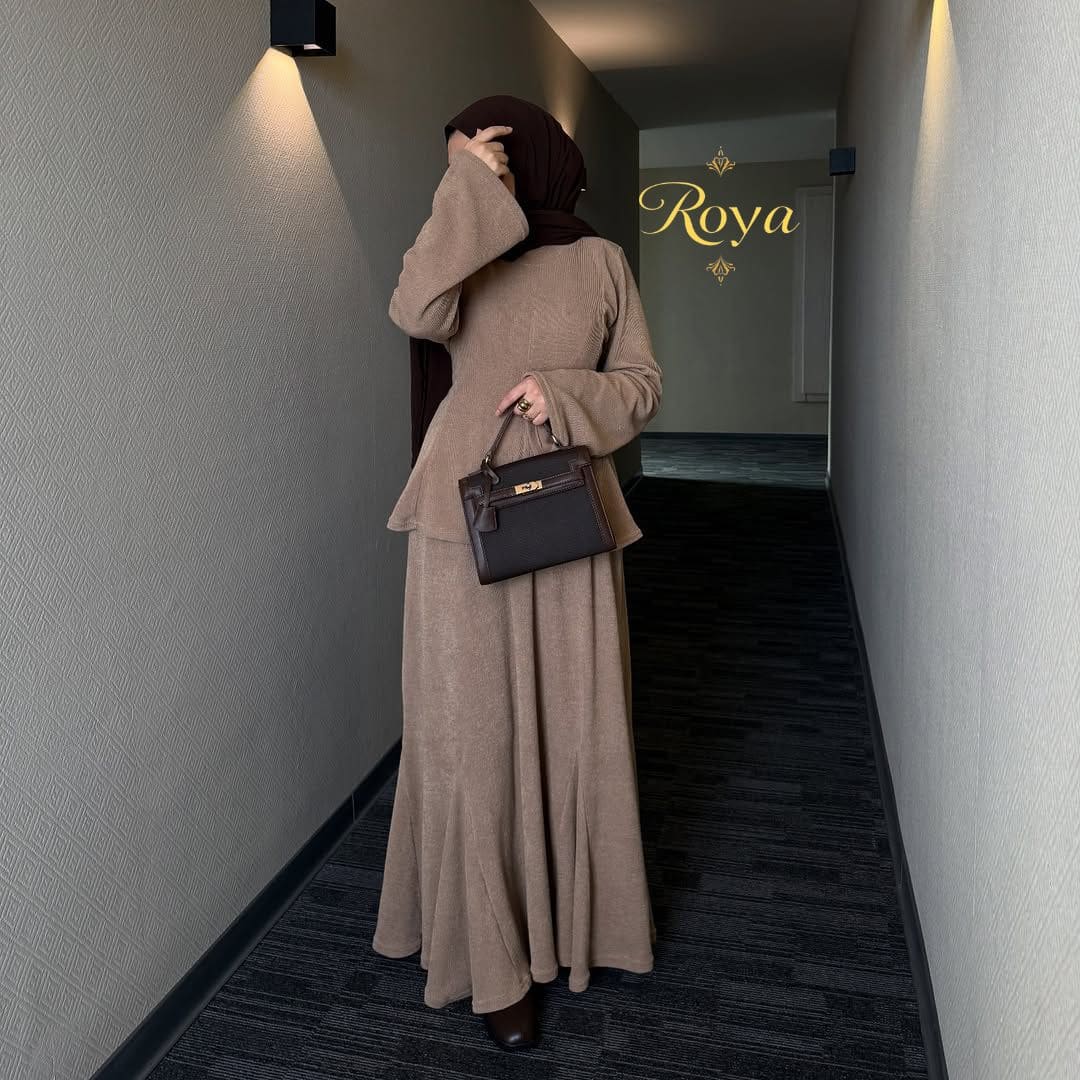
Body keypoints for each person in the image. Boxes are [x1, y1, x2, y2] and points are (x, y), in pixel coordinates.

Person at [371, 94, 663, 1051]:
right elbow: (414, 310)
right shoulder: (462, 250)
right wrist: (467, 187)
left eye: (493, 150)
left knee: (575, 719)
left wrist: (565, 394)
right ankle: (490, 961)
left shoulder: (601, 261)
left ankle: (581, 925)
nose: (482, 162)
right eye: (464, 153)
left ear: (536, 153)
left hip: (568, 511)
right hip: (462, 519)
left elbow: (643, 385)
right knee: (471, 730)